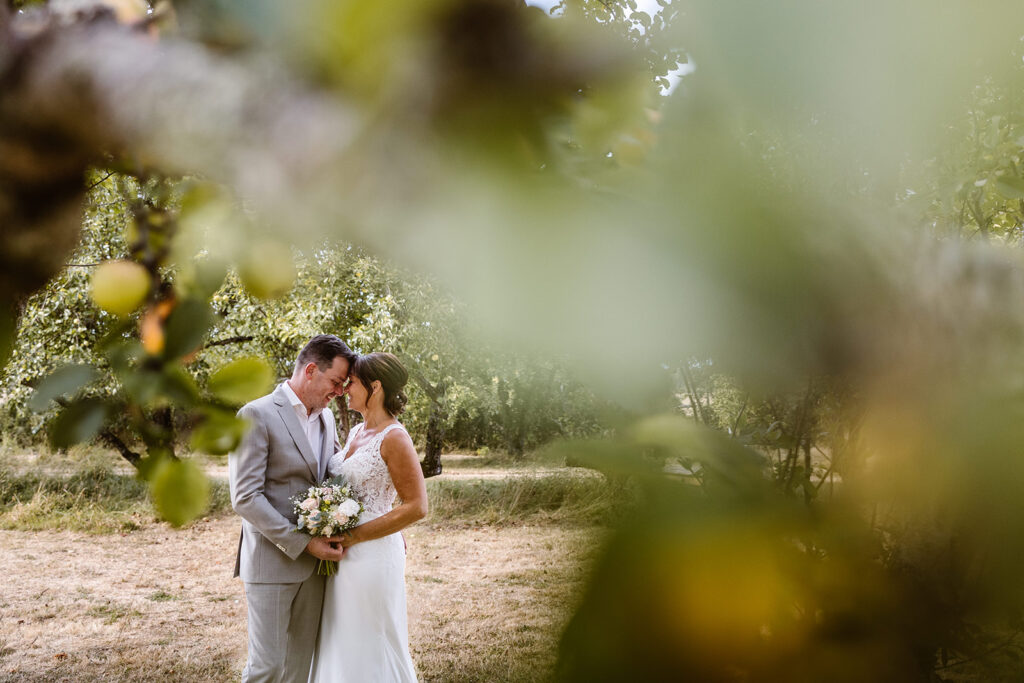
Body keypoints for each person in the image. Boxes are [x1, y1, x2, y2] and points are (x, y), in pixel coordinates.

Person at [229, 334, 357, 683]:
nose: (339, 391)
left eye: (344, 386)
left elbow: (332, 476)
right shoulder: (255, 415)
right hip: (272, 562)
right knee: (267, 667)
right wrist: (304, 542)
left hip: (317, 569)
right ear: (311, 370)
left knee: (299, 670)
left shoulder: (327, 418)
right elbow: (245, 497)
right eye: (335, 382)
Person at [310, 352, 428, 683]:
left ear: (374, 387)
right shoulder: (358, 431)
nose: (345, 389)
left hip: (372, 555)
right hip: (343, 556)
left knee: (371, 641)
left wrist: (356, 535)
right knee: (342, 640)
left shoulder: (395, 437)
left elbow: (416, 505)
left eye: (353, 383)